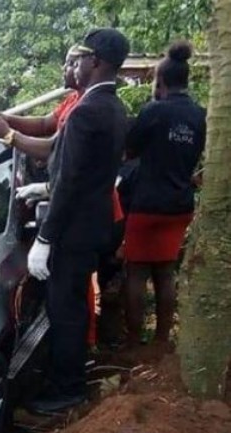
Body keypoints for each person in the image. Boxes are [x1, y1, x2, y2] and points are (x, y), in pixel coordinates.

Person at [20, 28, 130, 413]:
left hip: (74, 229)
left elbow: (69, 181)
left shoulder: (86, 111)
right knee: (73, 307)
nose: (72, 66)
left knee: (65, 310)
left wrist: (46, 238)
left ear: (94, 62)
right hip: (93, 225)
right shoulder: (114, 108)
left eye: (77, 59)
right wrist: (44, 189)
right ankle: (67, 379)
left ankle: (67, 390)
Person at [123, 41, 206, 353]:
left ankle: (133, 341)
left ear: (161, 82)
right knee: (165, 271)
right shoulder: (200, 115)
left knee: (136, 271)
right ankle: (161, 341)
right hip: (180, 204)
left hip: (147, 204)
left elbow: (129, 150)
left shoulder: (153, 111)